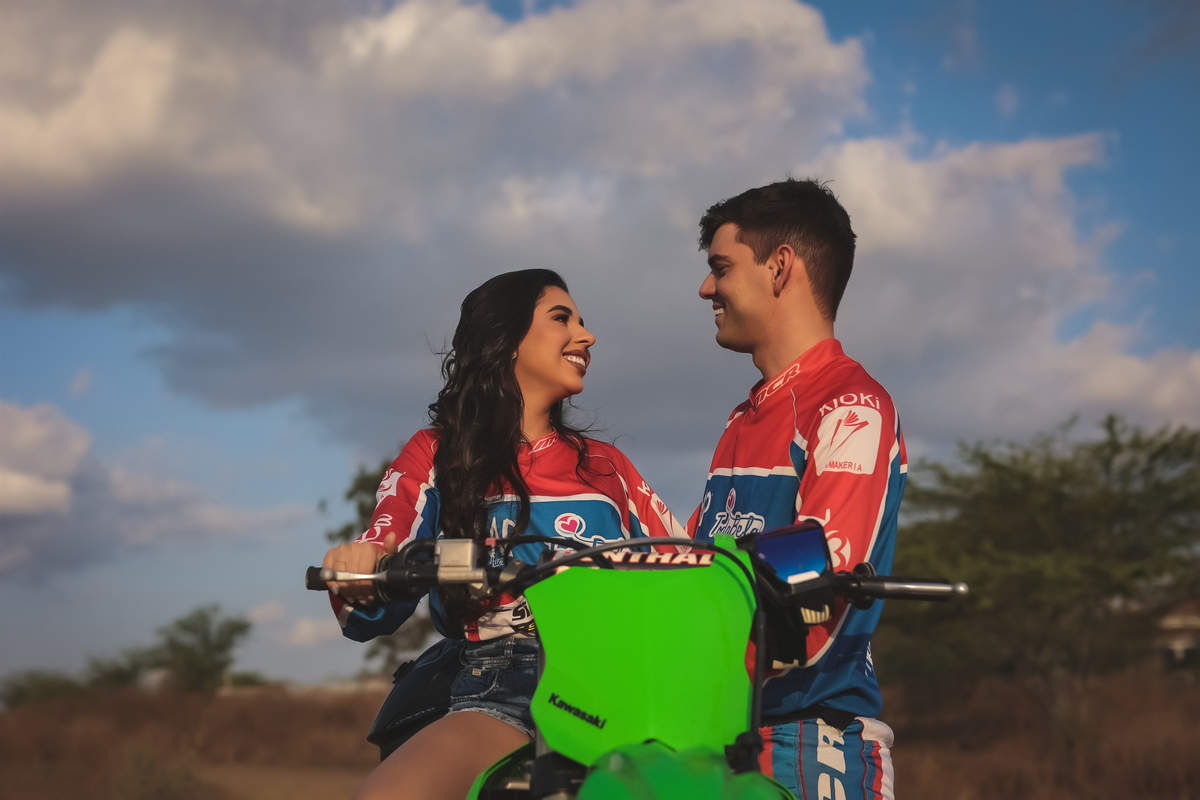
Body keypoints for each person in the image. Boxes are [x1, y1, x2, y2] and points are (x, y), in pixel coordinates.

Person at [322, 269, 684, 800]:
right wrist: (362, 568)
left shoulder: (608, 466)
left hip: (622, 686)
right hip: (501, 685)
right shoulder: (438, 452)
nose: (586, 336)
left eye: (582, 322)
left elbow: (690, 560)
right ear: (505, 339)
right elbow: (384, 549)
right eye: (562, 318)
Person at [688, 179, 906, 800]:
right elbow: (696, 563)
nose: (707, 288)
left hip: (810, 738)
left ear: (780, 267)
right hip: (721, 734)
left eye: (721, 268)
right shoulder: (744, 416)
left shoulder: (851, 404)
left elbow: (826, 566)